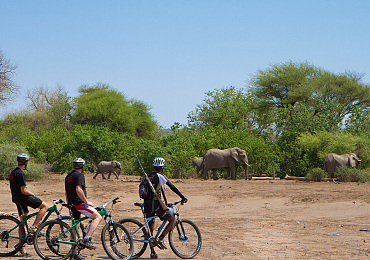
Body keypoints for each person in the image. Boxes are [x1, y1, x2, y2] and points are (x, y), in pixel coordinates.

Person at [143, 157, 188, 259]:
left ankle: (153, 252)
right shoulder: (160, 176)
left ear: (154, 166)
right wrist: (182, 197)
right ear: (162, 167)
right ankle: (161, 238)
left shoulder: (148, 176)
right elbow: (172, 187)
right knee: (173, 219)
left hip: (146, 204)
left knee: (150, 228)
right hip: (155, 204)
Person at [9, 153, 49, 255]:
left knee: (22, 221)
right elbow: (24, 190)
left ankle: (20, 246)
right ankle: (34, 227)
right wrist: (32, 194)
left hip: (16, 198)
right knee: (44, 206)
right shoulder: (21, 174)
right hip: (22, 198)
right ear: (26, 162)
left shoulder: (13, 172)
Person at [65, 158, 102, 252]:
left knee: (75, 227)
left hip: (72, 204)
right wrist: (86, 202)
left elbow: (66, 193)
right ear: (83, 167)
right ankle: (87, 239)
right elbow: (79, 190)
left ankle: (74, 252)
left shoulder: (68, 176)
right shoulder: (80, 175)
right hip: (79, 204)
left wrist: (69, 205)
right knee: (97, 217)